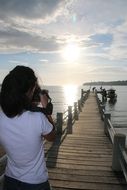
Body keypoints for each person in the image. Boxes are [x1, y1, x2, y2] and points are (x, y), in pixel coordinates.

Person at [0, 65, 56, 190]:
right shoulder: (38, 118)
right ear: (29, 91)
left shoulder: (1, 115)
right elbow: (52, 136)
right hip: (35, 183)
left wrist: (30, 104)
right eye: (34, 89)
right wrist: (46, 108)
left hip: (10, 181)